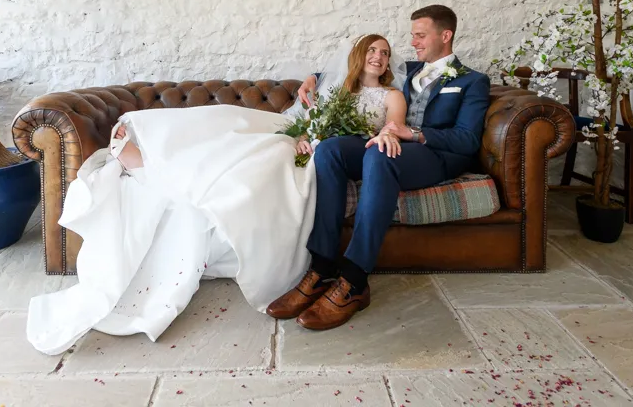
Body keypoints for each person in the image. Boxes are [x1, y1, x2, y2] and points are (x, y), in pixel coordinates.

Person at [25, 34, 406, 355]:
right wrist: (306, 125)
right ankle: (152, 151)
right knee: (233, 127)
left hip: (333, 153)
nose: (378, 56)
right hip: (302, 134)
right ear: (359, 55)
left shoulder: (392, 95)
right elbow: (312, 105)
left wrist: (324, 140)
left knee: (264, 160)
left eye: (385, 53)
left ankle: (158, 169)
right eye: (372, 50)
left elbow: (392, 131)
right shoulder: (335, 86)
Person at [266, 5, 491, 331]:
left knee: (379, 154)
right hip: (397, 148)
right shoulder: (411, 70)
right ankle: (322, 266)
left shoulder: (472, 81)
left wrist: (413, 133)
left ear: (445, 35)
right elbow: (360, 65)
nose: (412, 42)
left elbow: (468, 139)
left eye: (420, 35)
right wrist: (314, 77)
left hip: (436, 155)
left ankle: (354, 280)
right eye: (413, 35)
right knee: (330, 150)